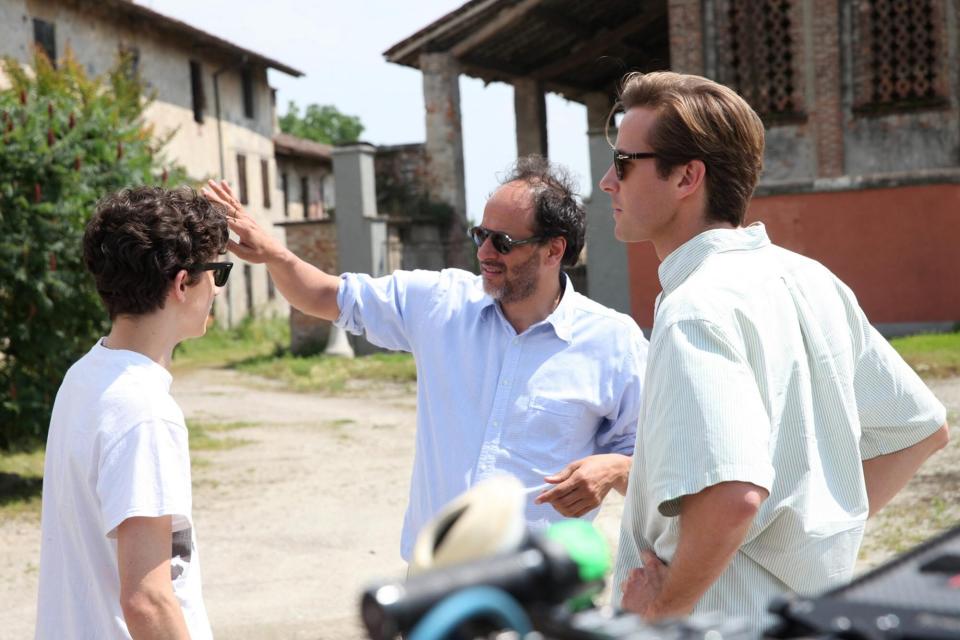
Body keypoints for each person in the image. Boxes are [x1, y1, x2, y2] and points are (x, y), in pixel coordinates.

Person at [599, 71, 950, 633]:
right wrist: (810, 538)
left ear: (688, 176)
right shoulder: (809, 279)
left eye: (623, 163)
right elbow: (918, 430)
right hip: (805, 617)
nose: (606, 182)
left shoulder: (696, 306)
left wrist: (663, 610)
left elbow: (734, 495)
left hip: (720, 621)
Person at [204, 156, 648, 561]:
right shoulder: (439, 303)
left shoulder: (613, 342)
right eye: (481, 235)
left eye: (503, 242)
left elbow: (659, 463)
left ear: (554, 249)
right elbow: (323, 296)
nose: (484, 252)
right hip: (433, 583)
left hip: (537, 596)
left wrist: (615, 468)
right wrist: (274, 254)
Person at [36, 187, 231, 639]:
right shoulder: (144, 410)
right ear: (183, 283)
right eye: (218, 273)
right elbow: (147, 600)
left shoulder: (84, 376)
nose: (218, 291)